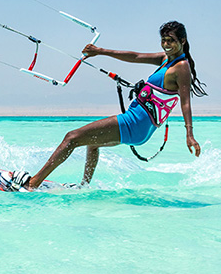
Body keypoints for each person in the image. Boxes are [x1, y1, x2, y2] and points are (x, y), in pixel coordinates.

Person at [11, 21, 207, 191]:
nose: (166, 44)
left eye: (171, 40)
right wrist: (100, 51)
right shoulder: (166, 60)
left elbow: (185, 102)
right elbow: (136, 56)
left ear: (182, 41)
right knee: (92, 143)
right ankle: (84, 186)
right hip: (139, 125)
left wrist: (189, 134)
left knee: (71, 137)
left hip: (136, 123)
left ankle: (33, 183)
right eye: (163, 40)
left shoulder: (181, 67)